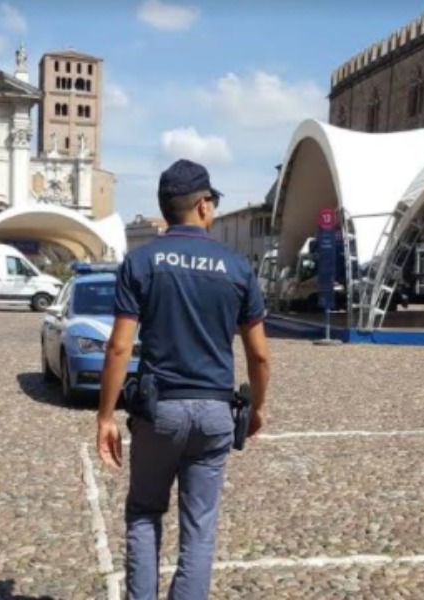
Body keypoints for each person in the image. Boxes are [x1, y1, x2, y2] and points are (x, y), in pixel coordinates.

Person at [96, 159, 272, 600]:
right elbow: (260, 354)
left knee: (143, 513)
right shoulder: (236, 267)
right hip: (215, 410)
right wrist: (259, 406)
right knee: (198, 528)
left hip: (160, 409)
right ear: (203, 204)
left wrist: (104, 416)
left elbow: (119, 347)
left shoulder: (141, 262)